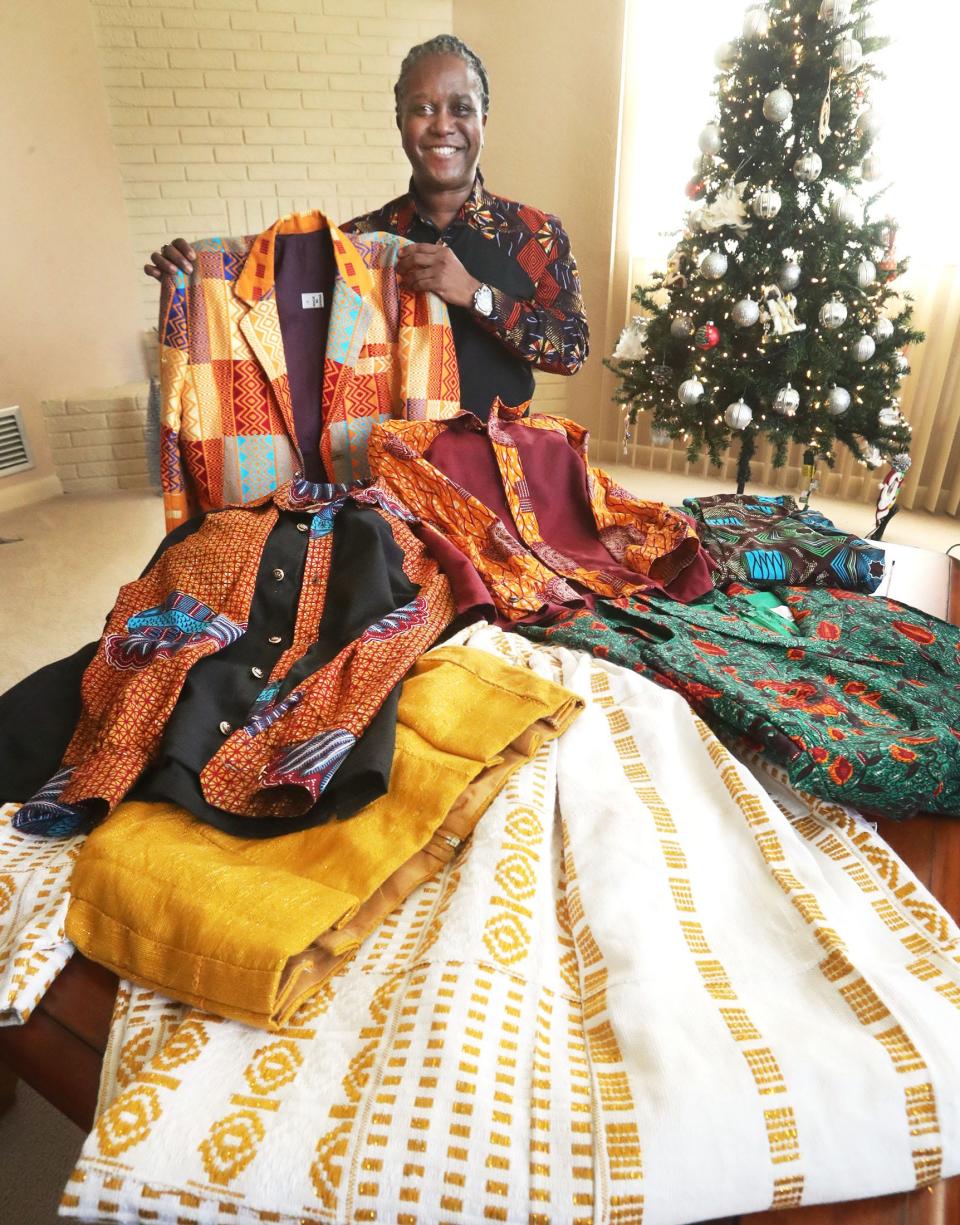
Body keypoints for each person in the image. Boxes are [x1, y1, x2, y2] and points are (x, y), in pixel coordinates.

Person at [145, 35, 589, 420]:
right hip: (382, 476)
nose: (442, 125)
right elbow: (285, 325)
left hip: (497, 468)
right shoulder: (354, 243)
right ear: (400, 122)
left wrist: (477, 295)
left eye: (460, 108)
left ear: (482, 123)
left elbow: (571, 350)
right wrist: (198, 278)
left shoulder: (534, 234)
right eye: (424, 108)